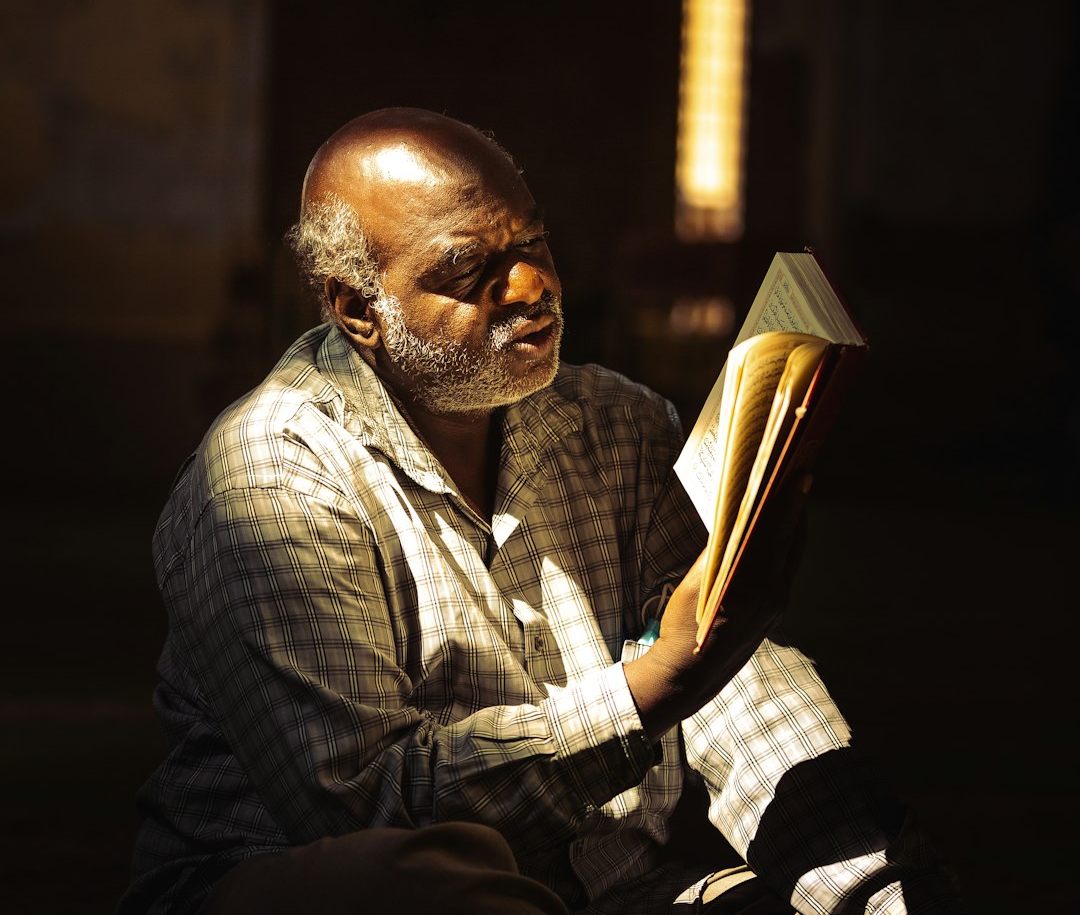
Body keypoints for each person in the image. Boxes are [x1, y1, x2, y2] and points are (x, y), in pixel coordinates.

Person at [120, 108, 962, 914]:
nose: (530, 284)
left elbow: (737, 685)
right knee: (419, 891)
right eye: (466, 270)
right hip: (323, 893)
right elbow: (361, 807)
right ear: (356, 310)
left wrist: (870, 888)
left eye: (531, 241)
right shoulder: (270, 478)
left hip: (624, 893)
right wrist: (648, 690)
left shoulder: (619, 425)